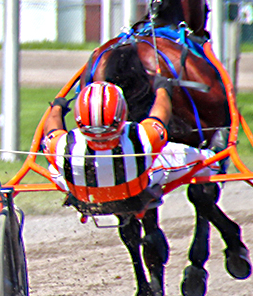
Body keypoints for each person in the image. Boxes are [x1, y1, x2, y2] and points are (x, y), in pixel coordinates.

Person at [39, 81, 217, 214]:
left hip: (84, 196)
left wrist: (57, 108)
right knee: (203, 157)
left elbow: (52, 130)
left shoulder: (62, 145)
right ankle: (216, 161)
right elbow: (160, 114)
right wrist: (163, 90)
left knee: (54, 167)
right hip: (134, 194)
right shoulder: (141, 136)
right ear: (121, 111)